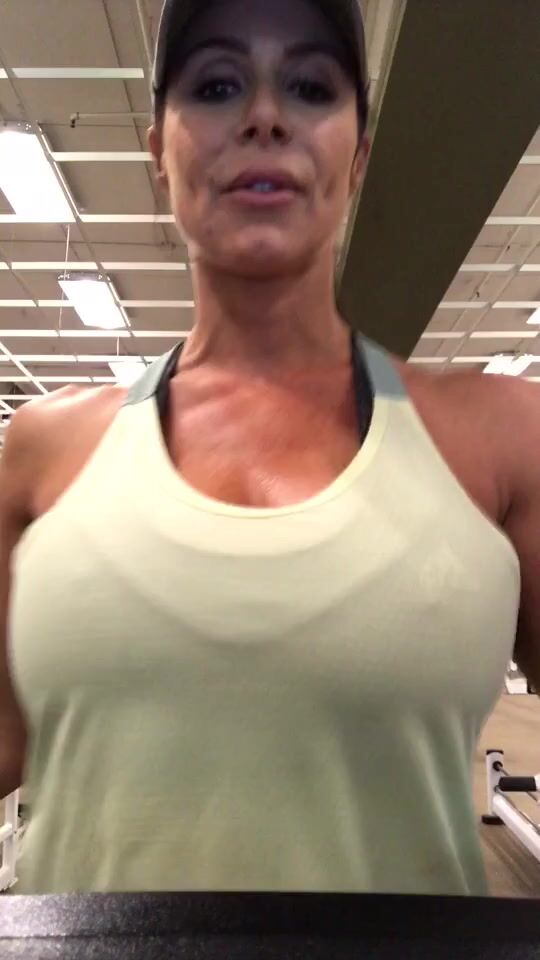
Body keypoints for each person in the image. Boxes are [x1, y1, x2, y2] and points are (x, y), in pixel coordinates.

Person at [0, 0, 538, 896]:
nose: (264, 116)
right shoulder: (43, 449)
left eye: (310, 87)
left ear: (358, 157)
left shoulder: (504, 439)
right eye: (216, 86)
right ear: (158, 151)